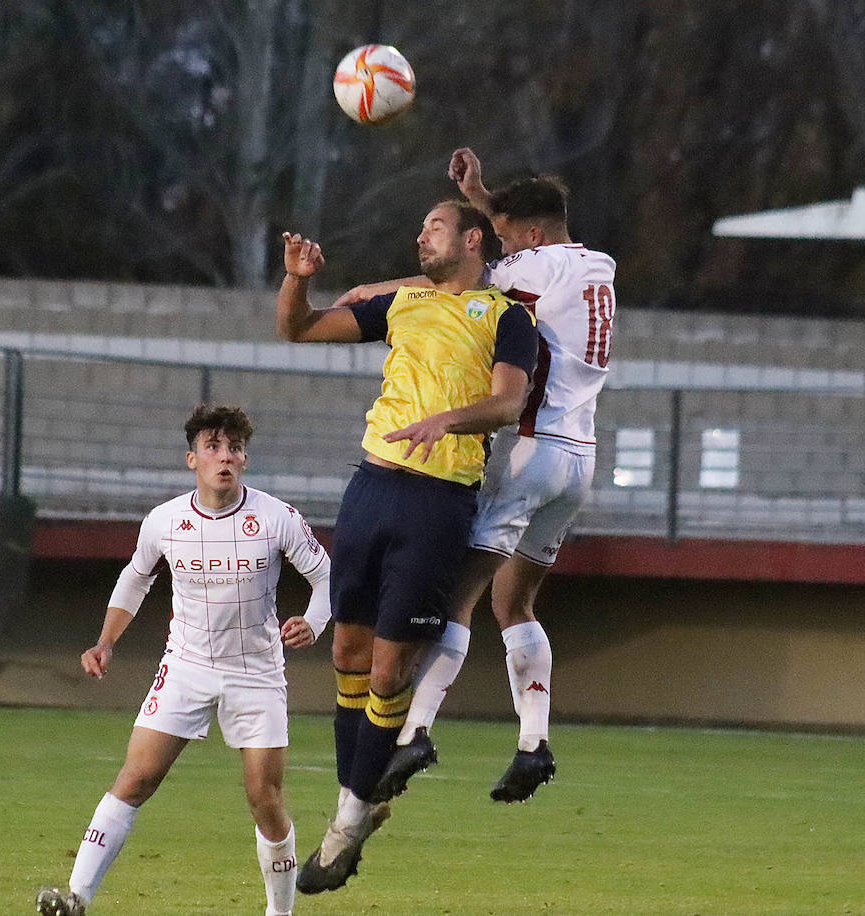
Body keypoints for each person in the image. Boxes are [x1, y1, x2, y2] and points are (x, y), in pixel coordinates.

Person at [338, 148, 617, 804]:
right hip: (580, 457)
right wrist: (485, 192)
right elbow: (514, 233)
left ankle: (415, 732)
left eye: (507, 232)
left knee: (456, 595)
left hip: (529, 449)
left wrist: (377, 292)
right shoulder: (596, 266)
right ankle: (533, 743)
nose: (500, 240)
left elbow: (461, 281)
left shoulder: (532, 266)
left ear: (534, 236)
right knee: (513, 602)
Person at [276, 200, 537, 892]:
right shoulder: (401, 304)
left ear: (472, 238)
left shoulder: (508, 318)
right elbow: (297, 329)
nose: (419, 234)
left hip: (438, 503)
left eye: (434, 226)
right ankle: (355, 813)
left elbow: (510, 403)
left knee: (391, 673)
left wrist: (448, 419)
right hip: (370, 490)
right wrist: (297, 279)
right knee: (346, 656)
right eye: (418, 225)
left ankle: (344, 828)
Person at [36, 405, 332, 916]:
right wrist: (106, 641)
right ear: (191, 458)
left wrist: (315, 621)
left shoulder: (276, 517)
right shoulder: (165, 521)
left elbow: (329, 576)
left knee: (265, 799)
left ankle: (279, 913)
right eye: (214, 448)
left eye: (235, 449)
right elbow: (136, 577)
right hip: (186, 665)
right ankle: (76, 897)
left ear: (245, 460)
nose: (226, 457)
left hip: (256, 672)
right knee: (134, 779)